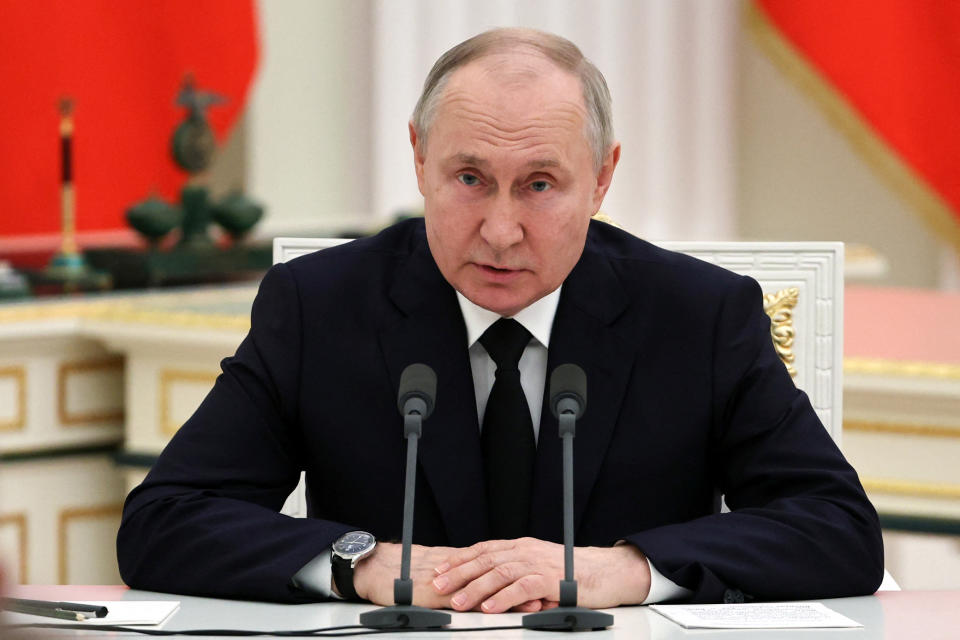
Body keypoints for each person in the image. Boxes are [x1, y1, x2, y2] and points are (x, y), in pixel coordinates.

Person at [117, 28, 884, 611]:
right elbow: (165, 522)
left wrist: (624, 568)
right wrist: (364, 561)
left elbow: (838, 529)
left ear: (603, 177)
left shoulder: (700, 315)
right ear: (419, 159)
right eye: (470, 178)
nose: (501, 230)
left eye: (541, 184)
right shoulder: (320, 305)